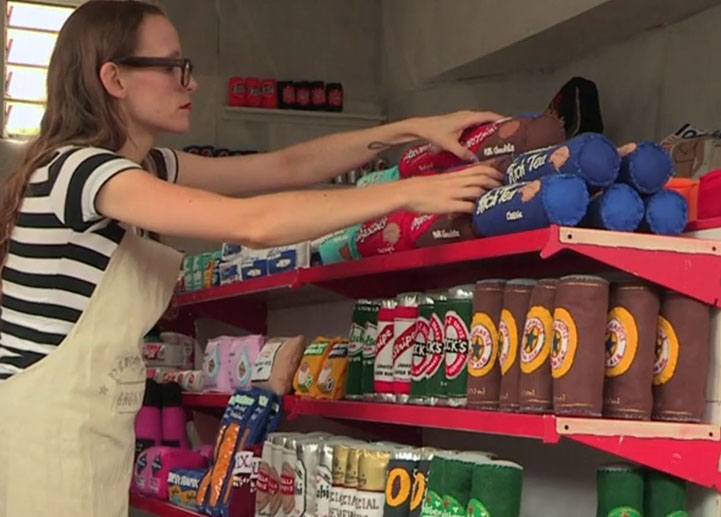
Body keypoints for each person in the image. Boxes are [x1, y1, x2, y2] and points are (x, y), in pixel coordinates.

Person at [0, 1, 502, 515]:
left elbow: (285, 166)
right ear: (115, 79)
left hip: (86, 431)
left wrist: (412, 129)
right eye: (173, 67)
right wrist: (407, 194)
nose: (191, 83)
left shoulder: (145, 166)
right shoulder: (82, 171)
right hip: (46, 433)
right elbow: (254, 223)